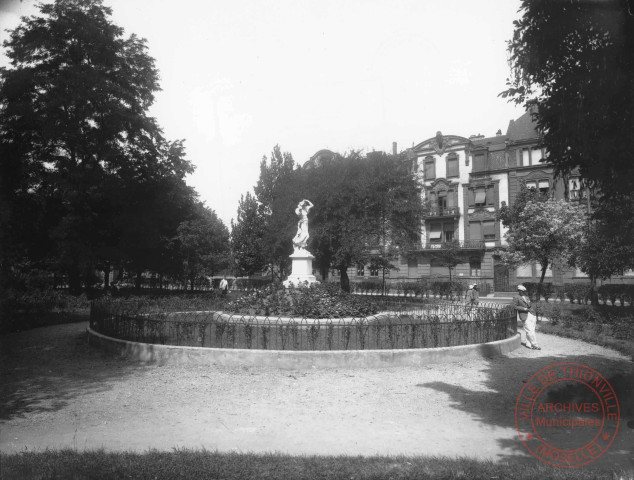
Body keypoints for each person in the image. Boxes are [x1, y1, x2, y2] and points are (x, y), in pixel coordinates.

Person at [514, 284, 541, 350]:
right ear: (519, 291)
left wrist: (532, 310)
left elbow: (529, 305)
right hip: (524, 315)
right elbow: (514, 306)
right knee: (529, 330)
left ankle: (528, 344)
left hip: (531, 314)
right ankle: (535, 345)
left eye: (523, 291)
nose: (522, 292)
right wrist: (524, 309)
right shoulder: (516, 297)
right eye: (520, 291)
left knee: (532, 330)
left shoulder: (526, 297)